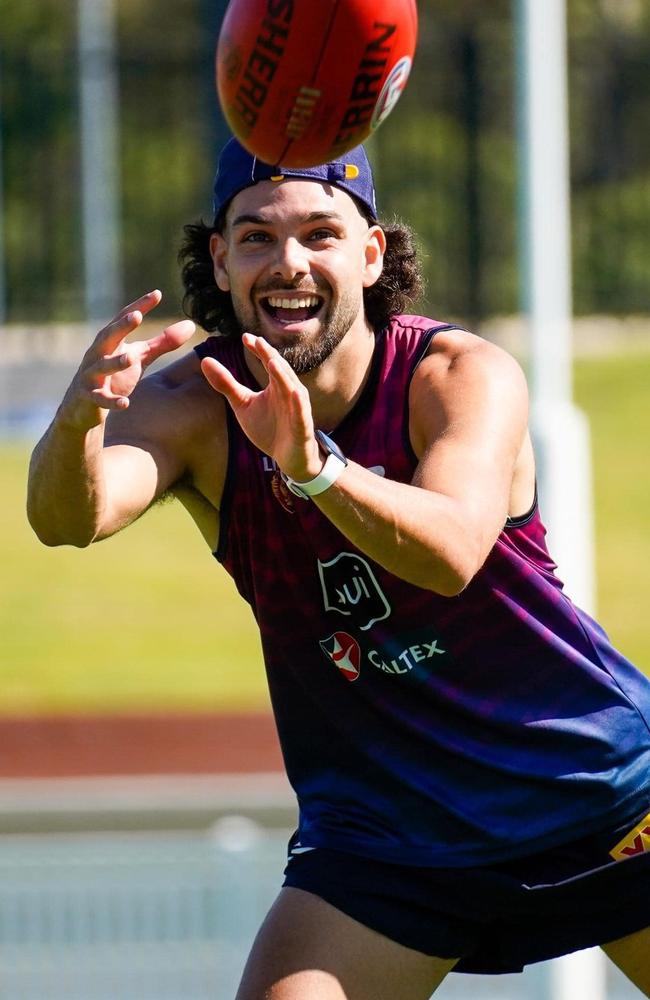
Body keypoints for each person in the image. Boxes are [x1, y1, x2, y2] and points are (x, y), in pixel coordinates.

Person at [27, 137, 650, 999]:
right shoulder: (198, 406)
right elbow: (72, 519)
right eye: (255, 238)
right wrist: (74, 425)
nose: (289, 263)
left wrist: (313, 467)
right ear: (219, 259)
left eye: (320, 234)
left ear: (370, 252)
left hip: (591, 787)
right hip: (382, 835)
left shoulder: (458, 374)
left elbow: (450, 555)